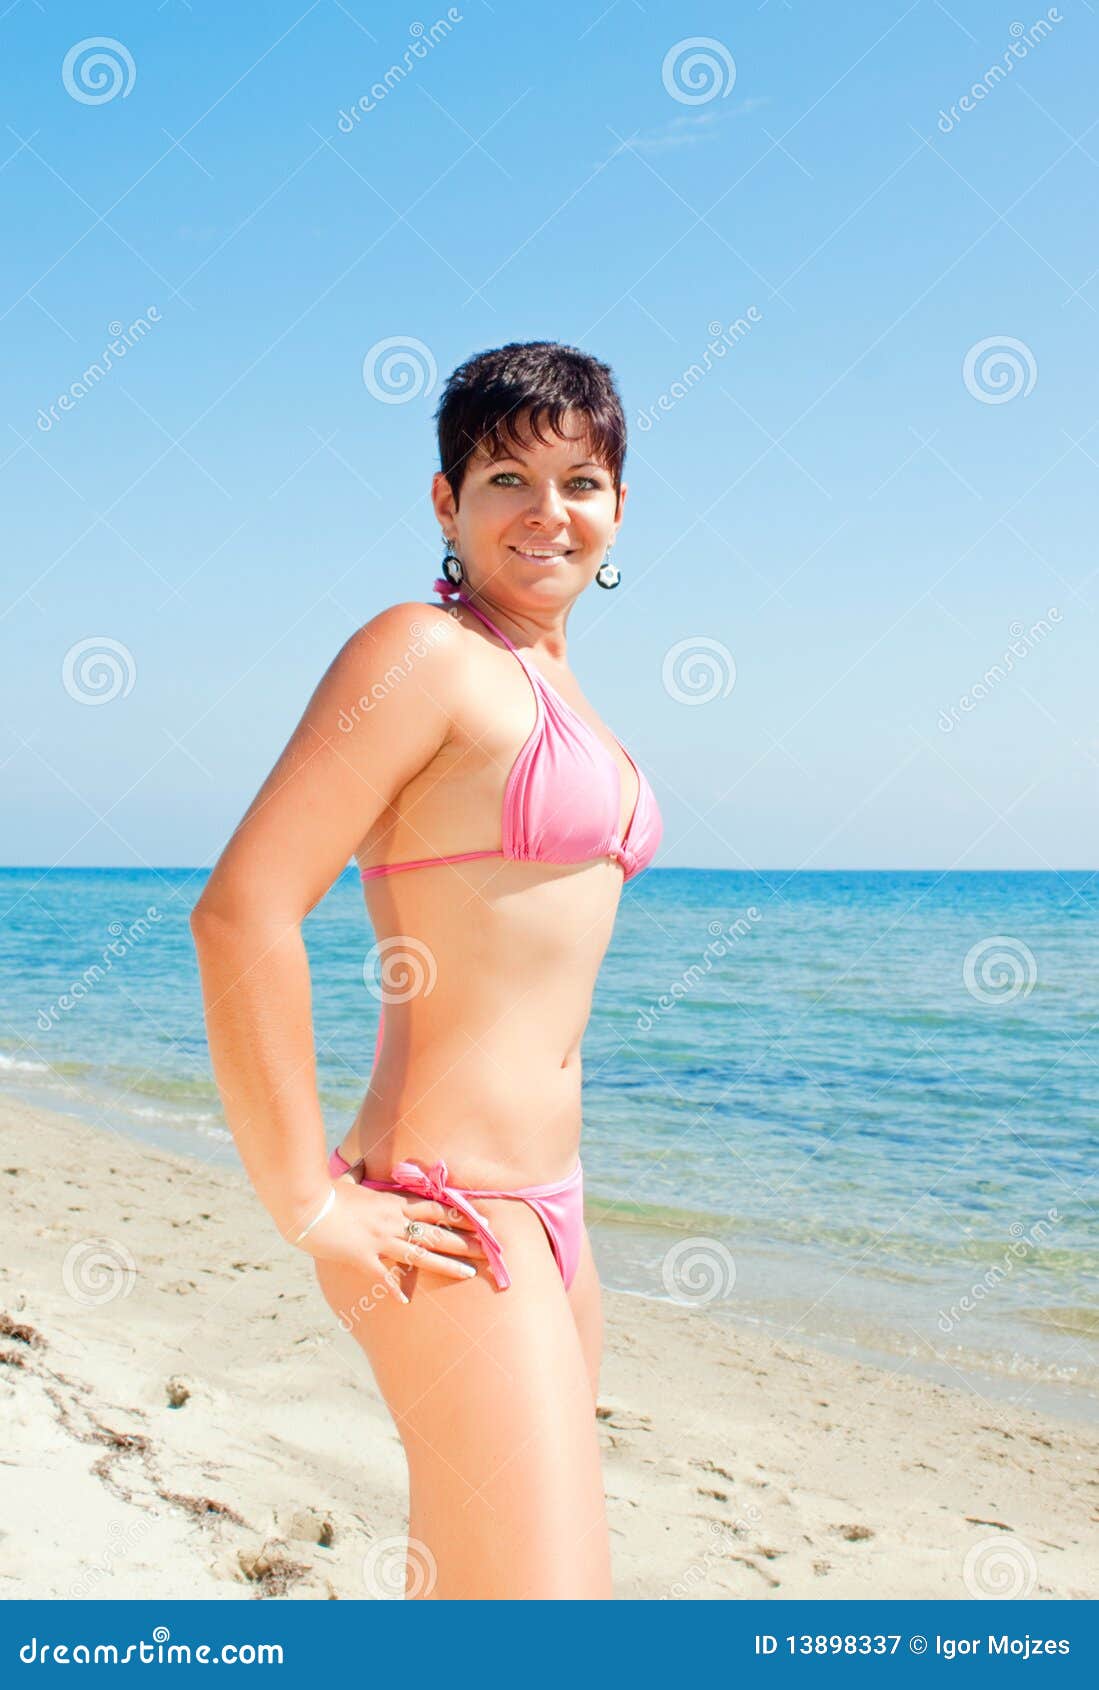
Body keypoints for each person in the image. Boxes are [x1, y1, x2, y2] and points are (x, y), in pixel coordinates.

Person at [190, 340, 662, 1599]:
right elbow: (241, 913)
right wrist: (310, 1202)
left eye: (581, 481)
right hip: (452, 1220)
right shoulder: (424, 653)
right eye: (506, 476)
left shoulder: (556, 683)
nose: (546, 512)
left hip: (554, 1217)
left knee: (465, 1602)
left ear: (618, 508)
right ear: (446, 502)